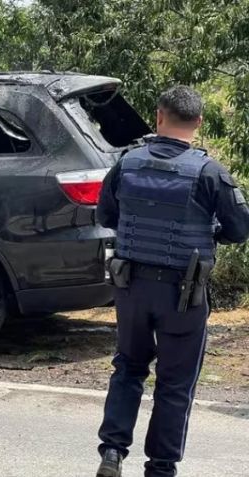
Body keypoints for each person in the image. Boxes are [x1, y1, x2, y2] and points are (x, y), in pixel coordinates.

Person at [94, 85, 249, 477]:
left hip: (130, 286)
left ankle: (112, 451)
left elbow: (105, 216)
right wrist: (208, 231)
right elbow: (240, 228)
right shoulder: (210, 173)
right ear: (197, 122)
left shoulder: (127, 164)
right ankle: (160, 466)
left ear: (159, 116)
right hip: (183, 293)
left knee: (128, 365)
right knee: (175, 381)